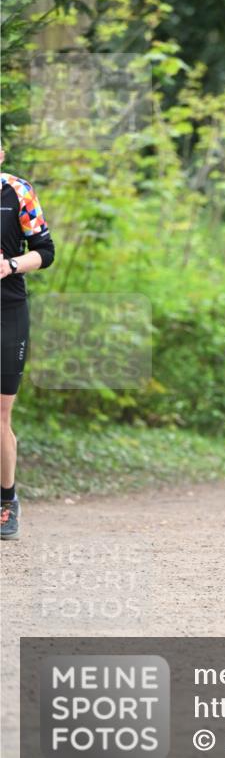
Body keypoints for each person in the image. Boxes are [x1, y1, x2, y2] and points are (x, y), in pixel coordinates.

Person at [1, 148, 56, 540]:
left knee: (0, 415)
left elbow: (46, 252)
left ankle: (7, 501)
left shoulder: (18, 191)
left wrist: (10, 265)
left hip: (7, 311)